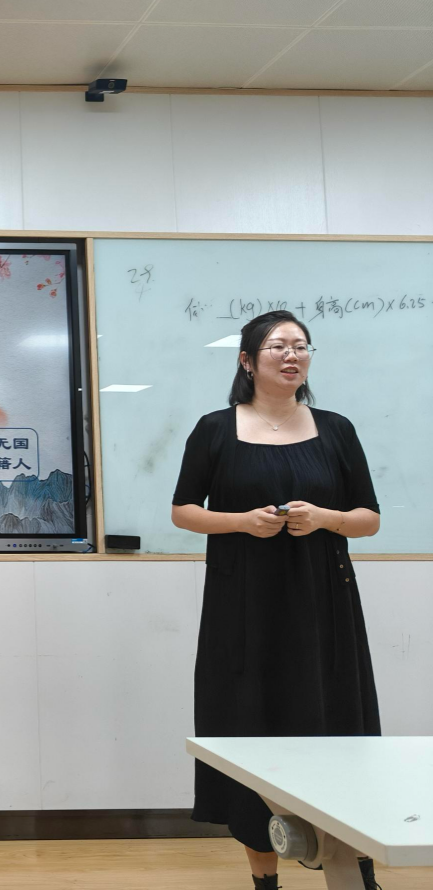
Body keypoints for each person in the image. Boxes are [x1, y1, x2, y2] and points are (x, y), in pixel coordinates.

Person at [170, 310, 382, 890]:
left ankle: (355, 872)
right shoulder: (215, 429)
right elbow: (183, 510)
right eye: (278, 346)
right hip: (243, 607)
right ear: (247, 361)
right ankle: (265, 879)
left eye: (301, 346)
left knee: (336, 727)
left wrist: (327, 518)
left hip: (324, 607)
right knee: (250, 726)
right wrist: (241, 521)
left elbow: (368, 518)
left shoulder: (336, 429)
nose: (292, 355)